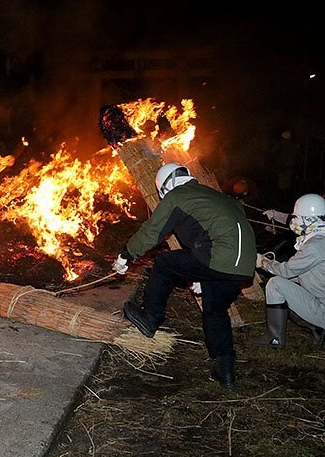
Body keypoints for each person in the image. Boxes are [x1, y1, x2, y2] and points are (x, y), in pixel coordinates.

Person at [114, 162, 256, 389]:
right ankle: (225, 370)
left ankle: (150, 318)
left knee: (163, 263)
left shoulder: (178, 196)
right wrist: (203, 274)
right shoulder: (212, 196)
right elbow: (212, 232)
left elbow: (154, 231)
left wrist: (126, 254)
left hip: (219, 256)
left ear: (164, 188)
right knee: (215, 310)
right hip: (243, 267)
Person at [252, 193, 325, 347]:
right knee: (286, 286)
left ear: (310, 220)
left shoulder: (315, 244)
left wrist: (263, 262)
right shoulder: (319, 238)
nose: (294, 222)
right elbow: (307, 274)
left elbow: (287, 270)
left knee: (276, 284)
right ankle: (316, 327)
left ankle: (274, 338)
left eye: (298, 218)